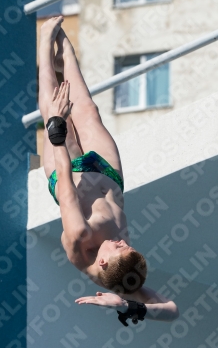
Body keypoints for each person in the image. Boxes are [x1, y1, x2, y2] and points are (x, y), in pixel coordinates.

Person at [39, 16, 179, 324]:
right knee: (88, 108)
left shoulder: (80, 237)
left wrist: (56, 127)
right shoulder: (124, 273)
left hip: (69, 172)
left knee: (53, 106)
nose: (124, 242)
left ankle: (44, 40)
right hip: (109, 174)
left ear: (101, 261)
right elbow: (172, 311)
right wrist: (131, 307)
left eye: (119, 248)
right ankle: (63, 41)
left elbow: (64, 180)